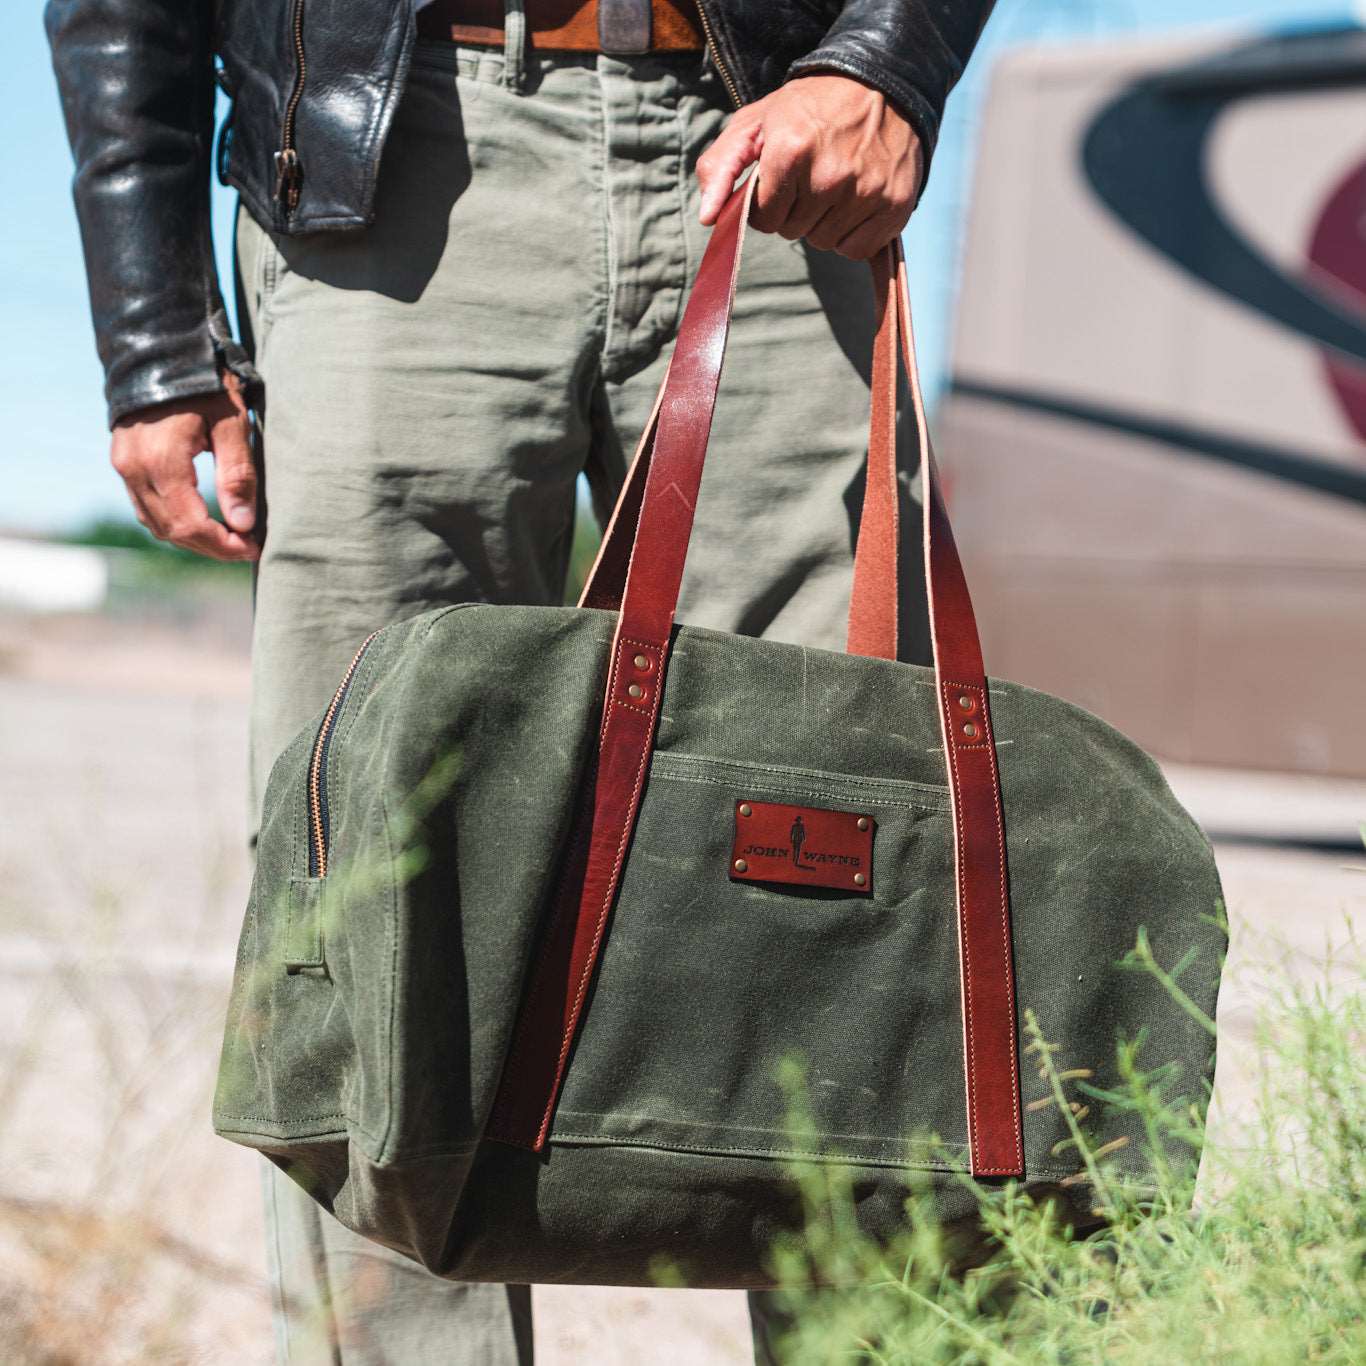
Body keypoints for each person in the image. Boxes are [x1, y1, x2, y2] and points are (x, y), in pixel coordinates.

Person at [47, 1, 994, 1360]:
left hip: (775, 136)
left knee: (848, 860)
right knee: (371, 876)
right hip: (393, 155)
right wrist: (150, 332)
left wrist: (886, 59)